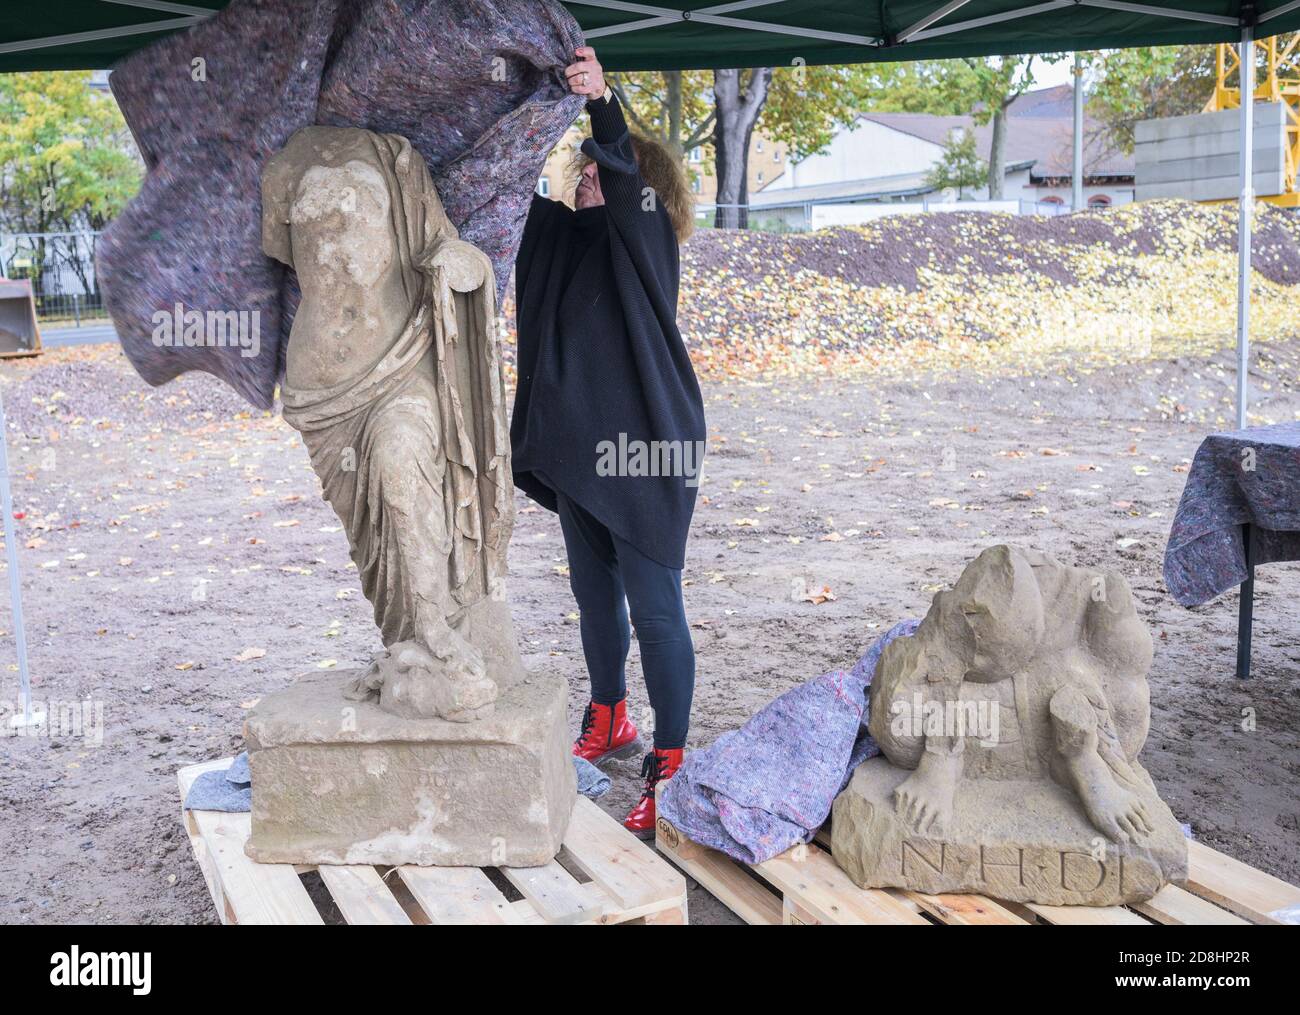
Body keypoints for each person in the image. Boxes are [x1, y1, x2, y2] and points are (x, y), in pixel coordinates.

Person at [511, 46, 706, 836]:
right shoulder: (573, 244)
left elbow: (623, 180)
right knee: (595, 596)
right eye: (583, 171)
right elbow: (522, 216)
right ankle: (612, 715)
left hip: (647, 453)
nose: (586, 176)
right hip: (583, 460)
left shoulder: (645, 246)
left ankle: (674, 761)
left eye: (599, 171)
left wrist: (604, 106)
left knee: (656, 610)